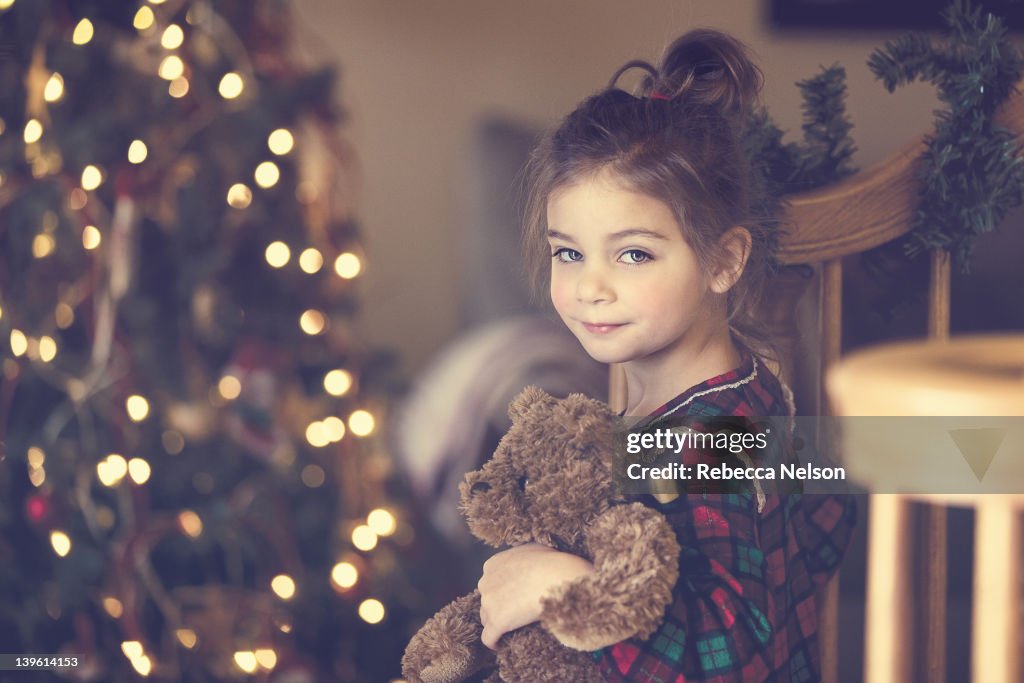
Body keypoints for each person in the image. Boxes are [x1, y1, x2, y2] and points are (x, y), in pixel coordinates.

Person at [475, 28, 857, 682]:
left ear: (723, 260)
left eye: (634, 254)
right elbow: (826, 519)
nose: (589, 287)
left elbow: (738, 656)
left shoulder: (722, 436)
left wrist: (564, 587)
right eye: (569, 252)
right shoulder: (714, 403)